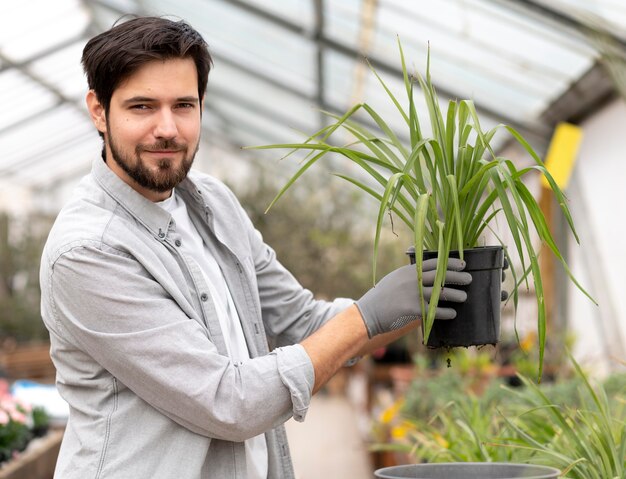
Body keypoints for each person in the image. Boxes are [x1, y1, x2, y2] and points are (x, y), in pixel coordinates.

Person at [39, 16, 472, 479]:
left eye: (183, 105)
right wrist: (365, 317)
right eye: (142, 107)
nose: (167, 128)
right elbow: (228, 401)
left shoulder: (214, 205)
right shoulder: (87, 251)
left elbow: (302, 322)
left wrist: (418, 304)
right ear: (99, 110)